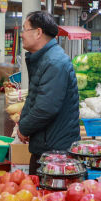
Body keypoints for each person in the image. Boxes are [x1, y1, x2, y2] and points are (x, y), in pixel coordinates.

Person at [17, 11, 80, 176]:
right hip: (48, 145)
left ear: (38, 33)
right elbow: (35, 97)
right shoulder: (44, 59)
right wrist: (24, 123)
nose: (21, 35)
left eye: (24, 29)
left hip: (56, 153)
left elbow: (46, 107)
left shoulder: (54, 62)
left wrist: (24, 128)